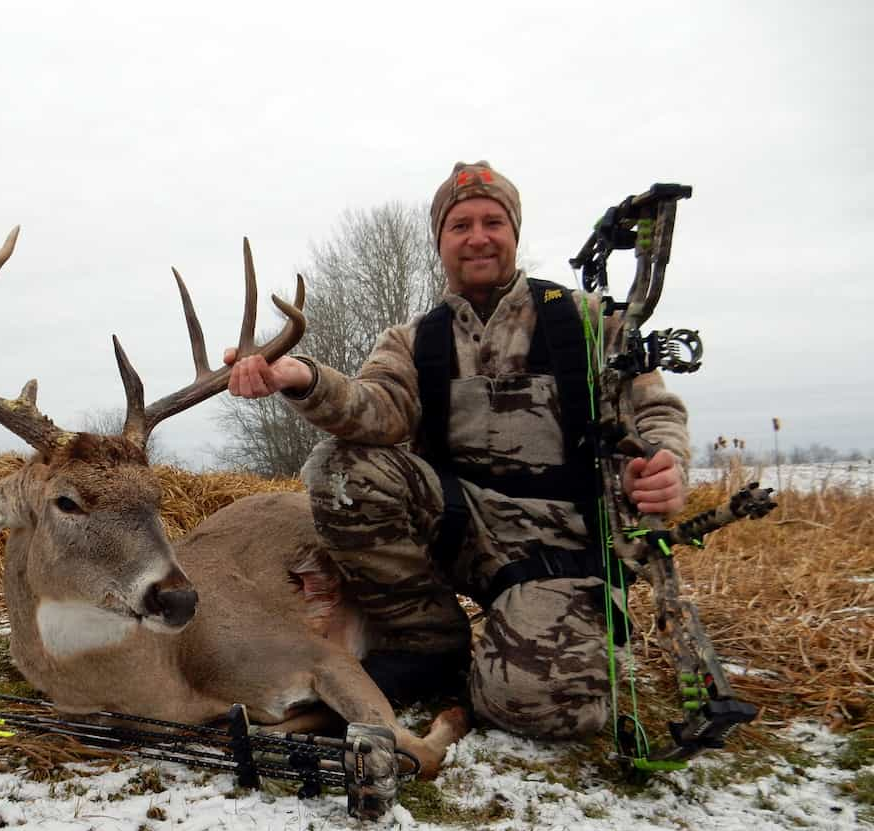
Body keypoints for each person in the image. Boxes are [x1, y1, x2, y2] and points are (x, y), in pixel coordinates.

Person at [225, 161, 689, 740]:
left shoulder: (586, 321)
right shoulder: (416, 339)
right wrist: (302, 377)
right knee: (342, 469)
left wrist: (666, 462)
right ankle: (428, 639)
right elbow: (377, 407)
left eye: (493, 221)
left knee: (531, 707)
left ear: (514, 234)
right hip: (461, 527)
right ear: (440, 241)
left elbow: (654, 411)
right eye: (460, 224)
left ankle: (545, 647)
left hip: (561, 547)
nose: (477, 236)